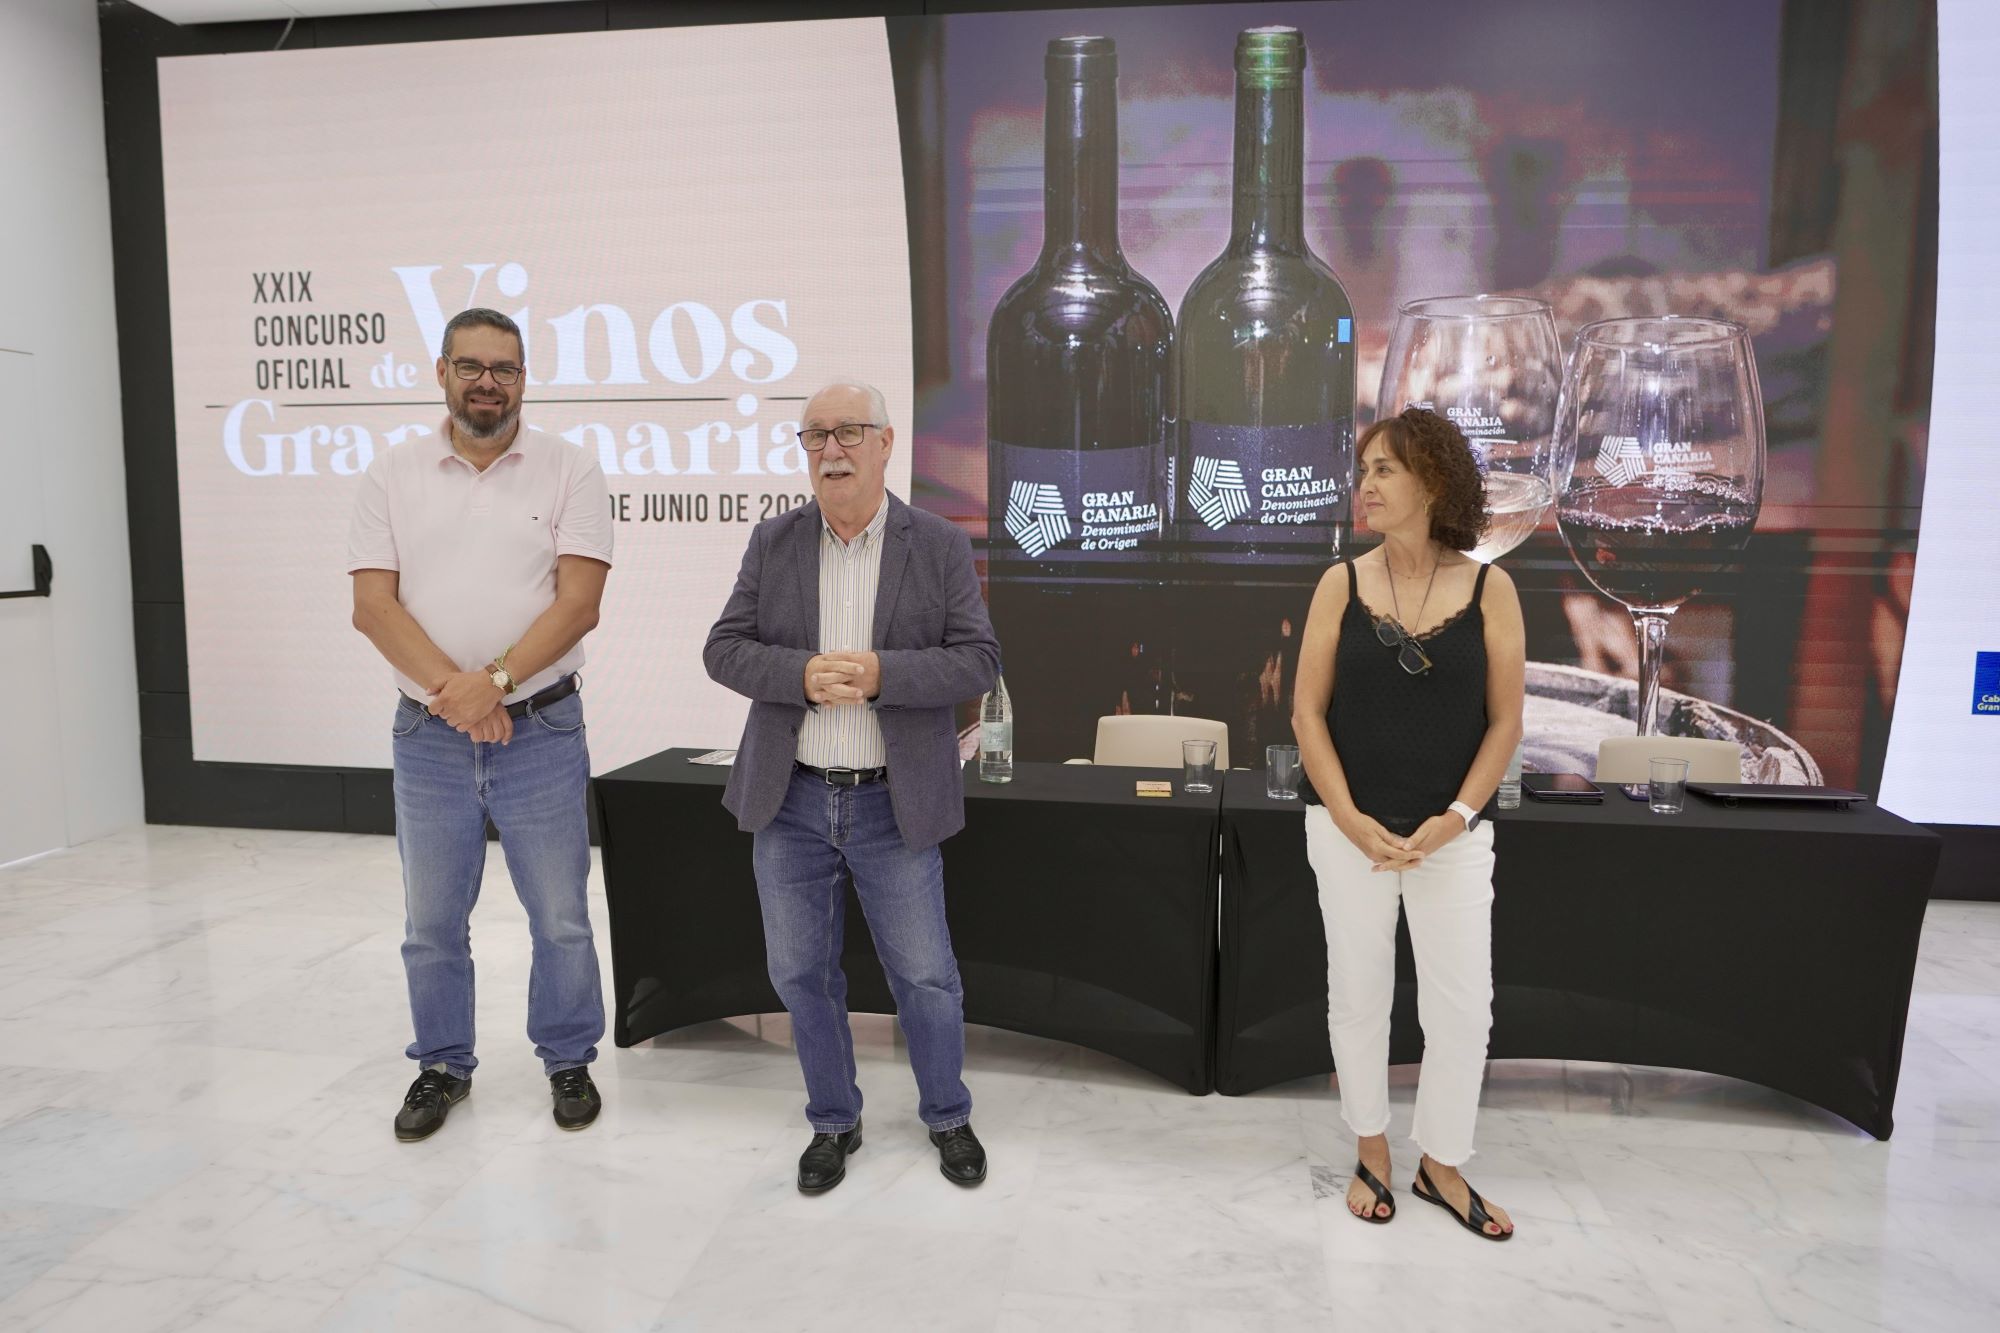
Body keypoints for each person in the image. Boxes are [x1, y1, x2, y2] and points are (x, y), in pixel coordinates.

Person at [704, 381, 1001, 1194]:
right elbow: (723, 649)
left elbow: (978, 660)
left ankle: (947, 1113)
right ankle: (833, 1119)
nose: (831, 449)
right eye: (815, 435)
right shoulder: (773, 541)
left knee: (926, 975)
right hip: (791, 798)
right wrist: (799, 674)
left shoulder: (935, 543)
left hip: (892, 801)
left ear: (885, 443)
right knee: (800, 972)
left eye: (849, 432)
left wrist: (882, 676)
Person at [348, 307, 613, 1142]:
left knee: (560, 916)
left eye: (504, 368)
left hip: (542, 729)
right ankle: (441, 1065)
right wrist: (456, 695)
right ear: (442, 372)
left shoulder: (571, 469)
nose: (487, 382)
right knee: (430, 923)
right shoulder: (390, 474)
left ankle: (567, 1058)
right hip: (428, 737)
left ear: (524, 379)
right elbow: (372, 606)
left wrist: (493, 683)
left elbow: (579, 603)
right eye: (471, 366)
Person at [1291, 407, 1526, 1239]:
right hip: (1347, 831)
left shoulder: (1493, 589)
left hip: (1451, 839)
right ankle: (1371, 1149)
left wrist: (1457, 817)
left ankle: (1443, 1162)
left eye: (1384, 469)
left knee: (1463, 1009)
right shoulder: (1339, 583)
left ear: (1433, 481)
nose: (1367, 485)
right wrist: (1350, 818)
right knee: (1358, 997)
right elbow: (1307, 714)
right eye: (1364, 471)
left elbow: (1506, 721)